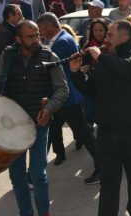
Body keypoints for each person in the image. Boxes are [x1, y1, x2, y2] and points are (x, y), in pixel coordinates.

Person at [0, 20, 68, 216]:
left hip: (39, 123)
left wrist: (49, 109)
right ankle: (25, 212)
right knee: (16, 176)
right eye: (31, 36)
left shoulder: (49, 56)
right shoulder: (8, 56)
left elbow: (62, 89)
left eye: (38, 35)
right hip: (12, 126)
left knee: (37, 174)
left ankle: (44, 212)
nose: (36, 40)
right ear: (18, 38)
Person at [71, 20, 131, 216]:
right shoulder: (107, 60)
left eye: (110, 36)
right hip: (107, 133)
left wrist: (101, 57)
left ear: (124, 37)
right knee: (108, 184)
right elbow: (90, 89)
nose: (105, 40)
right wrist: (75, 72)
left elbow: (127, 70)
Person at [36, 13, 98, 183]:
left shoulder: (62, 41)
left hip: (67, 96)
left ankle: (102, 167)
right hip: (60, 96)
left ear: (49, 26)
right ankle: (35, 172)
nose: (40, 33)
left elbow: (50, 68)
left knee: (83, 133)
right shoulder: (60, 38)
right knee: (49, 132)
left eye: (41, 29)